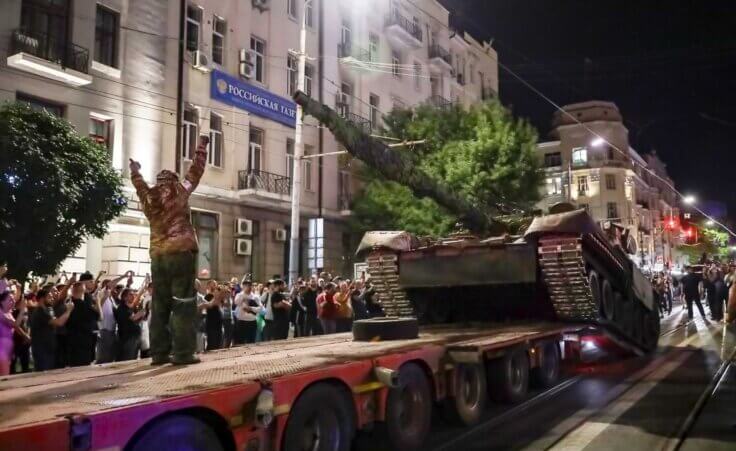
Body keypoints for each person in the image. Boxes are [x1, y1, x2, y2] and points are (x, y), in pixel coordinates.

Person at [129, 135, 209, 365]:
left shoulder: (148, 196)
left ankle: (159, 353)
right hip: (181, 252)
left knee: (160, 303)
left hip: (158, 254)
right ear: (173, 180)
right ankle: (183, 353)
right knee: (183, 302)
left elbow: (139, 184)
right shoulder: (179, 190)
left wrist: (135, 170)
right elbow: (195, 172)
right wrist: (201, 146)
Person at [30, 287, 73, 371]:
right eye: (49, 297)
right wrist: (69, 310)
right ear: (42, 299)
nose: (52, 299)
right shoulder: (40, 312)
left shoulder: (46, 310)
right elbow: (59, 322)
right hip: (41, 349)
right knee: (43, 373)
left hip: (48, 347)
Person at [66, 274, 102, 367]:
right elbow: (100, 317)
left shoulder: (68, 304)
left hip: (71, 340)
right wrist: (98, 302)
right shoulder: (84, 306)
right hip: (84, 341)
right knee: (82, 366)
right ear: (83, 289)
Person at [114, 288, 146, 361]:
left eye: (133, 294)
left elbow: (135, 321)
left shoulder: (130, 308)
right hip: (128, 338)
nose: (133, 296)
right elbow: (133, 318)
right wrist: (144, 310)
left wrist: (141, 317)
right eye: (130, 294)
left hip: (134, 337)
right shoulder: (122, 308)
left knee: (133, 358)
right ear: (124, 297)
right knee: (128, 358)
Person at [0, 290, 27, 375]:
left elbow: (17, 328)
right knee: (4, 375)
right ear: (2, 301)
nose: (13, 302)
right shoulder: (0, 313)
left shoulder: (9, 313)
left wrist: (25, 336)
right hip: (1, 350)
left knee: (5, 375)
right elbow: (15, 325)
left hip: (8, 350)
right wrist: (22, 311)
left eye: (13, 300)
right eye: (10, 300)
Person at [233, 280, 261, 344]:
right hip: (241, 322)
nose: (248, 287)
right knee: (240, 342)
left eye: (249, 285)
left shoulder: (255, 296)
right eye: (246, 285)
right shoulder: (239, 295)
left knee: (251, 342)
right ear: (243, 286)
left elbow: (260, 308)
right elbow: (236, 302)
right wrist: (244, 294)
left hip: (252, 322)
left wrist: (251, 308)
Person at [199, 283, 224, 351]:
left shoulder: (218, 296)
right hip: (211, 323)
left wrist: (220, 294)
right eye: (213, 284)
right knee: (212, 344)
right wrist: (217, 295)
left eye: (215, 284)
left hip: (218, 323)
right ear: (208, 286)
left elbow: (220, 304)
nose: (215, 286)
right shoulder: (208, 296)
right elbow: (211, 304)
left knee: (218, 343)